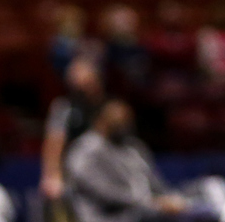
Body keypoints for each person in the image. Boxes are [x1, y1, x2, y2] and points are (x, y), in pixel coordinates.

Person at [64, 99, 186, 222]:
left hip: (143, 213)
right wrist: (152, 204)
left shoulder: (133, 146)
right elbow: (106, 193)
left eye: (127, 120)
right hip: (108, 217)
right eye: (117, 120)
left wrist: (171, 199)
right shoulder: (86, 150)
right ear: (100, 120)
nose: (124, 125)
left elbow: (155, 182)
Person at [41, 55, 106, 203]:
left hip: (105, 171)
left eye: (86, 82)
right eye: (75, 82)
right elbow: (54, 142)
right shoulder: (63, 107)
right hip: (75, 173)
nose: (81, 86)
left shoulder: (108, 107)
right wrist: (52, 176)